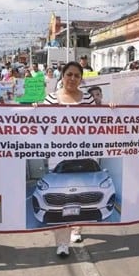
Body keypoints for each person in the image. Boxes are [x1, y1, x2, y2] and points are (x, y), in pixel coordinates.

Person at [42, 61, 107, 257]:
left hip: (83, 155)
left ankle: (77, 229)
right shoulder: (51, 99)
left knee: (81, 193)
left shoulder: (87, 98)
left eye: (76, 76)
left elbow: (97, 121)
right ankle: (62, 243)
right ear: (62, 76)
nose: (72, 79)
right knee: (61, 198)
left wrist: (111, 109)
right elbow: (41, 125)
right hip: (59, 157)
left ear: (81, 79)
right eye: (69, 74)